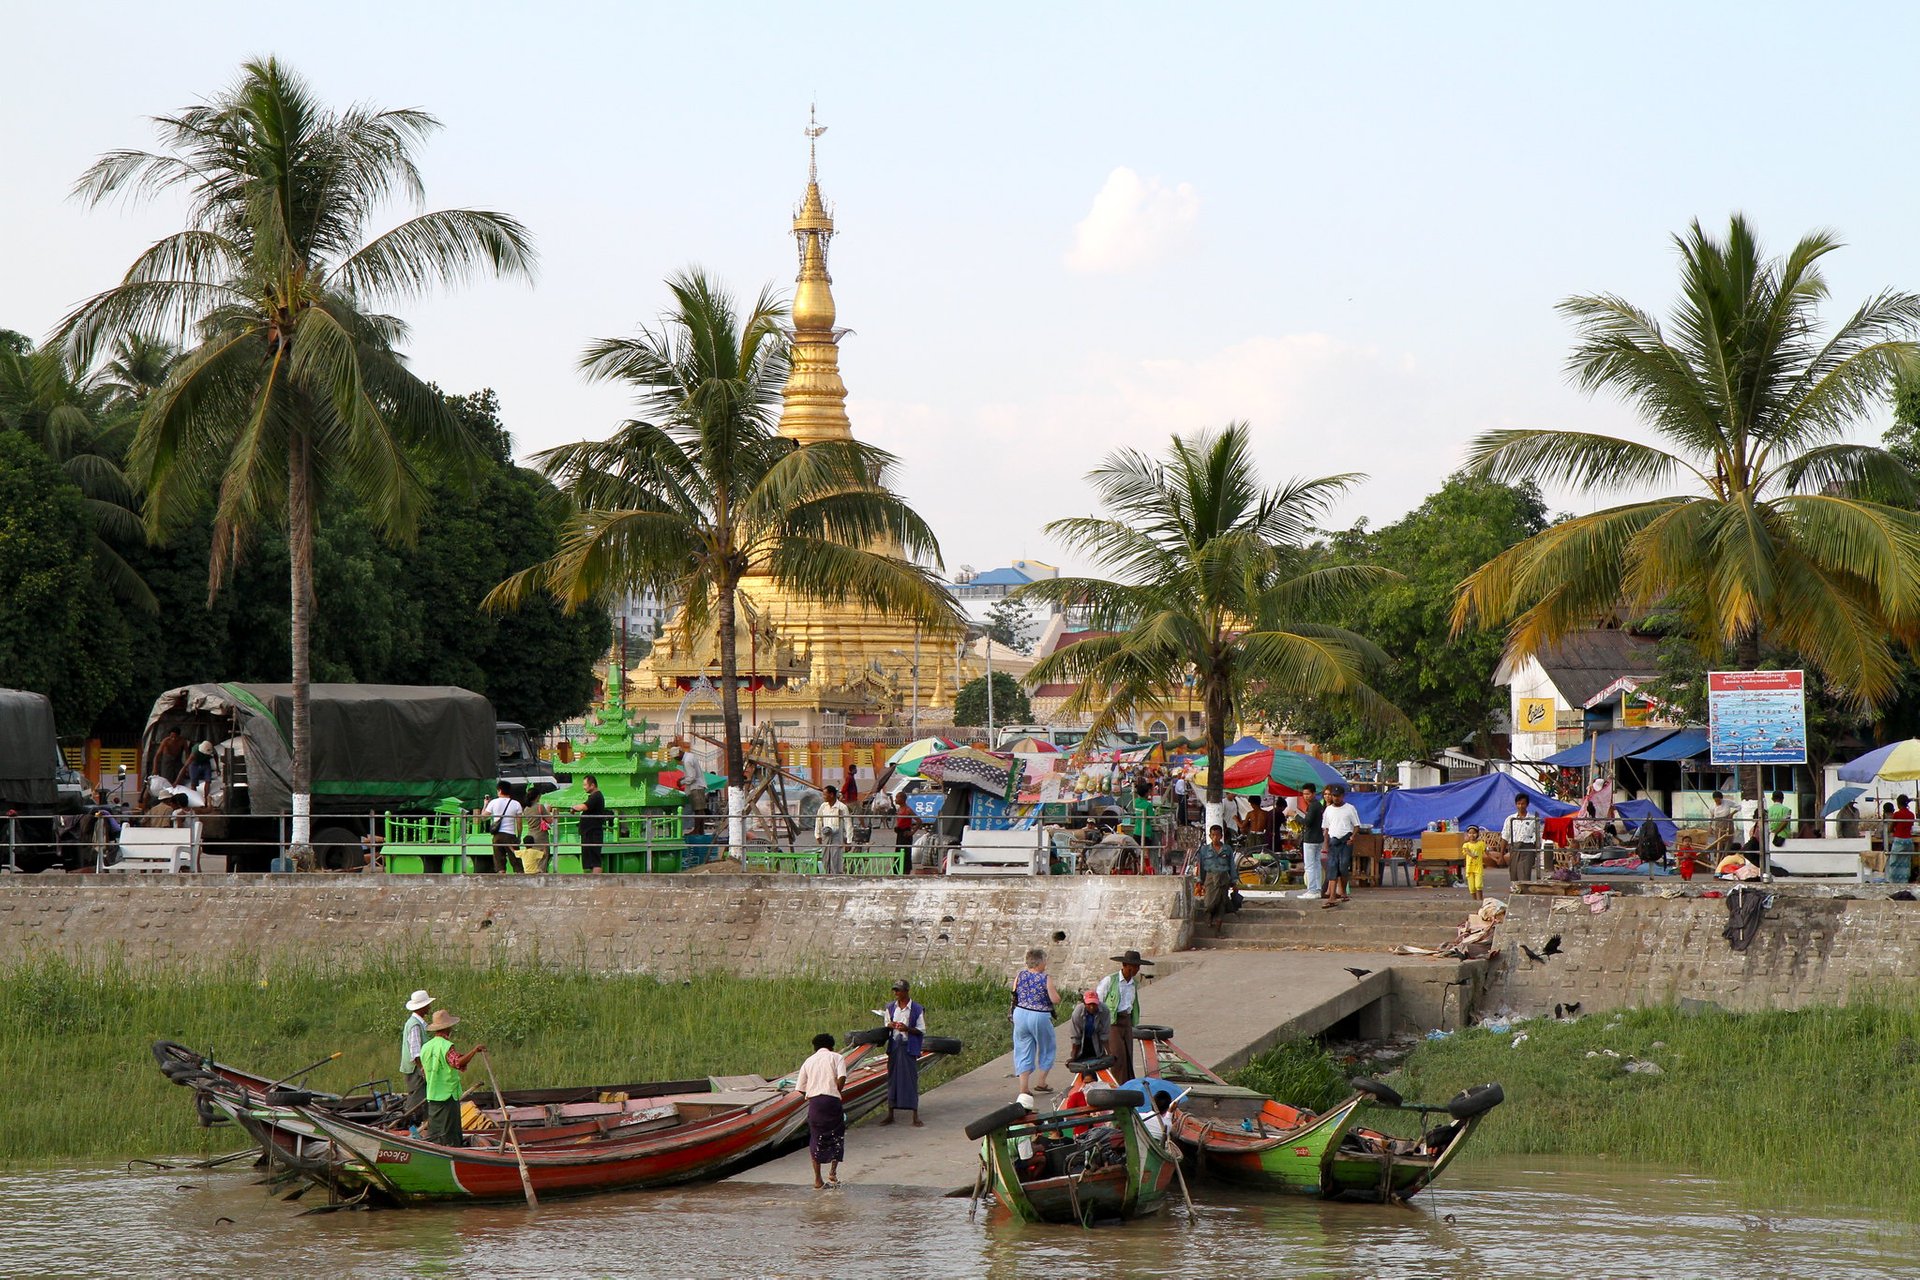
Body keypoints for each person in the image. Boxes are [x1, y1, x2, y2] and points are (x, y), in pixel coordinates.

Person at [419, 1009, 484, 1147]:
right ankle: (452, 1152)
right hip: (447, 1097)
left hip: (433, 1095)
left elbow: (424, 1069)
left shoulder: (425, 1047)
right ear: (448, 1027)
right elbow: (457, 1062)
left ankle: (437, 1150)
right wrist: (474, 1051)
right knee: (450, 1133)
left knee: (436, 1132)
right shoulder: (446, 1046)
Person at [795, 1032, 848, 1189]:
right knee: (836, 1135)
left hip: (815, 1104)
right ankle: (832, 1174)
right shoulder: (837, 1057)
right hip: (832, 1101)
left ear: (815, 1048)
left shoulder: (808, 1061)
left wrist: (811, 1096)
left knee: (816, 1138)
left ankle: (818, 1180)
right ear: (832, 1046)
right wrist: (837, 1089)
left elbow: (800, 1088)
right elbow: (842, 1077)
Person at [1011, 947, 1061, 1094]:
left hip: (1019, 1013)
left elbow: (1014, 993)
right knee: (1047, 1047)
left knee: (1023, 1049)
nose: (1045, 964)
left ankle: (1023, 1088)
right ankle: (1041, 1082)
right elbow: (1055, 999)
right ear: (1039, 963)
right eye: (1045, 961)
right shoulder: (1045, 978)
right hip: (1039, 1015)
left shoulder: (1020, 975)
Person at [1096, 950, 1152, 1083]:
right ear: (1125, 965)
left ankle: (1127, 1083)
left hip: (1126, 1021)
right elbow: (1098, 1000)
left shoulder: (1133, 984)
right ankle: (1116, 1084)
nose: (1136, 969)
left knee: (1127, 1055)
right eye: (1134, 966)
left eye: (1138, 967)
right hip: (1112, 1023)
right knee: (1117, 1056)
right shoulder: (1110, 980)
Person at [880, 979, 927, 1127]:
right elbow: (887, 1023)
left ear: (906, 991)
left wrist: (907, 1029)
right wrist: (891, 1025)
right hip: (895, 1046)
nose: (896, 993)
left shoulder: (916, 1009)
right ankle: (891, 1113)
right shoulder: (890, 1007)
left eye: (898, 991)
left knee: (911, 1079)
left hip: (908, 1047)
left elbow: (921, 1030)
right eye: (895, 991)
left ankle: (915, 1115)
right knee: (893, 1079)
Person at [1321, 784, 1361, 908]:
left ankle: (1343, 891)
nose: (1336, 798)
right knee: (1332, 867)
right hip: (1334, 841)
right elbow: (1326, 828)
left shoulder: (1350, 808)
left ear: (1343, 796)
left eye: (1338, 796)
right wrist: (1326, 844)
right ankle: (1332, 896)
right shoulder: (1328, 810)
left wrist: (1352, 837)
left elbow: (1356, 825)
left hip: (1346, 840)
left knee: (1343, 867)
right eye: (1334, 796)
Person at [1196, 824, 1236, 935]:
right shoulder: (1205, 850)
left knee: (1221, 904)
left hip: (1224, 878)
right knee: (1209, 902)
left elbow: (1232, 865)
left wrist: (1234, 881)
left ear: (1221, 836)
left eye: (1218, 835)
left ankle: (1218, 931)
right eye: (1213, 835)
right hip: (1210, 878)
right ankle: (1208, 915)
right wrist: (1200, 881)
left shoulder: (1227, 849)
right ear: (1210, 836)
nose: (1215, 838)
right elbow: (1201, 866)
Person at [399, 989, 434, 1109]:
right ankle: (409, 1120)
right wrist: (422, 1068)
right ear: (422, 1007)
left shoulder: (416, 1023)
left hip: (417, 1067)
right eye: (427, 1005)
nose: (429, 1007)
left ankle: (418, 1120)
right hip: (415, 1068)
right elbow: (415, 1051)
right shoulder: (414, 1025)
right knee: (417, 1097)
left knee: (420, 1095)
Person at [479, 782, 522, 874]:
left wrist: (485, 804)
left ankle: (501, 881)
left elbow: (483, 817)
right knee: (516, 861)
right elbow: (519, 823)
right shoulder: (516, 804)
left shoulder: (493, 802)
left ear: (500, 790)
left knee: (499, 862)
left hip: (497, 836)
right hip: (510, 835)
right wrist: (519, 836)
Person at [1501, 793, 1543, 885]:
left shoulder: (1533, 819)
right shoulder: (1510, 819)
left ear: (1527, 804)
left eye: (1523, 804)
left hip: (1527, 848)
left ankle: (1524, 895)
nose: (1520, 806)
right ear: (1516, 804)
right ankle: (1515, 895)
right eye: (1518, 803)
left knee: (1524, 875)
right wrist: (1501, 854)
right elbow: (1505, 836)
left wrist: (1536, 852)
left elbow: (1538, 837)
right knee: (1514, 875)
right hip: (1514, 848)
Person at [1295, 782, 1326, 901]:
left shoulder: (1314, 805)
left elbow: (1307, 822)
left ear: (1313, 794)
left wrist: (1295, 816)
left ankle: (1312, 889)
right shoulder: (1318, 805)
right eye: (1304, 794)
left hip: (1311, 839)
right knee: (1317, 865)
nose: (1305, 796)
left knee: (1310, 866)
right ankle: (1317, 889)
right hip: (1318, 839)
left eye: (1308, 794)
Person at [573, 774, 608, 873]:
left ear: (592, 785)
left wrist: (573, 807)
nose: (584, 787)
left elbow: (584, 807)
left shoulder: (596, 796)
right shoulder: (593, 796)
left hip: (593, 832)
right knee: (591, 860)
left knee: (595, 861)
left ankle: (596, 883)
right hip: (589, 832)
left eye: (585, 785)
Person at [815, 785, 852, 875]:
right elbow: (818, 820)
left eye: (825, 795)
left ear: (831, 795)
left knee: (835, 858)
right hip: (826, 835)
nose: (823, 797)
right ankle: (827, 875)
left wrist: (849, 840)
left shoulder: (842, 807)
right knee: (825, 858)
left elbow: (848, 823)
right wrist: (818, 835)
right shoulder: (823, 806)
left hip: (837, 836)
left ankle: (836, 876)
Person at [1068, 988, 1110, 1062]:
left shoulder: (1104, 1010)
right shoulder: (1077, 1013)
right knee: (1082, 1067)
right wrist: (1073, 1057)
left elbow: (1104, 1034)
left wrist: (1110, 1053)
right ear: (1084, 1003)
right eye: (1089, 1004)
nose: (1092, 1007)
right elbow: (1075, 1036)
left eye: (1094, 1004)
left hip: (1096, 1042)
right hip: (1082, 1042)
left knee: (1098, 1063)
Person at [1892, 795, 1916, 884]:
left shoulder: (1897, 814)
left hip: (1899, 840)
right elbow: (1911, 826)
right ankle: (1904, 881)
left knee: (1894, 862)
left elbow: (1891, 827)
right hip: (1908, 841)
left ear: (1898, 803)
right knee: (1906, 863)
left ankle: (1895, 882)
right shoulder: (1911, 814)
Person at [1461, 825, 1487, 902]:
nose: (1472, 835)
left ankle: (1480, 901)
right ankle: (1474, 902)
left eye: (1474, 833)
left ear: (1478, 834)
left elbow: (1487, 853)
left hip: (1478, 868)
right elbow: (1466, 851)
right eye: (1470, 833)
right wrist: (1472, 855)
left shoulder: (1481, 844)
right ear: (1467, 834)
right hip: (1469, 869)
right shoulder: (1466, 845)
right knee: (1472, 888)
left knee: (1478, 885)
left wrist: (1496, 859)